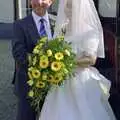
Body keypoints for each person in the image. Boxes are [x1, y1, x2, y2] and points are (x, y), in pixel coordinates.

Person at [38, 0, 117, 120]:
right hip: (61, 80)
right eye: (66, 6)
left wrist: (67, 63)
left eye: (71, 6)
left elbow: (91, 59)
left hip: (80, 78)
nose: (67, 9)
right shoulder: (62, 28)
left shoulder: (89, 31)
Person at [11, 0, 55, 120]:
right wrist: (45, 65)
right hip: (28, 84)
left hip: (53, 85)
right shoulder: (19, 25)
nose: (39, 2)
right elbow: (18, 53)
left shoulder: (57, 23)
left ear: (51, 2)